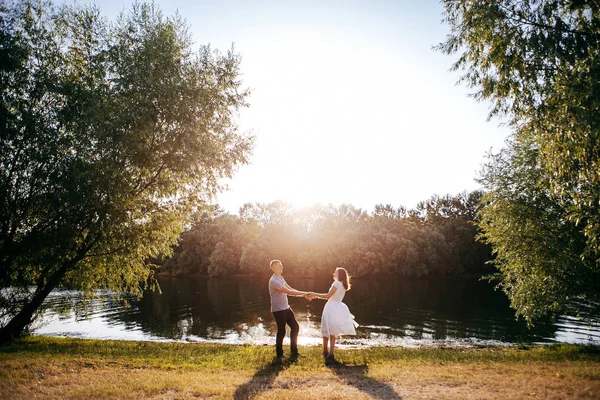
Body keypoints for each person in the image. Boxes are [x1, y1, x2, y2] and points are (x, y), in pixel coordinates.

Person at [309, 268, 358, 360]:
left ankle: (325, 352)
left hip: (331, 308)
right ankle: (330, 352)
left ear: (339, 274)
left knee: (325, 329)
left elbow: (328, 296)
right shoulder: (344, 285)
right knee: (332, 331)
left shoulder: (336, 283)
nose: (333, 273)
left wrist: (313, 293)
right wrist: (316, 297)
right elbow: (331, 296)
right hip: (338, 307)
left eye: (335, 272)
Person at [268, 259, 311, 362]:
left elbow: (291, 289)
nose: (281, 267)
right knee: (281, 331)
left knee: (295, 327)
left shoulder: (281, 278)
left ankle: (294, 352)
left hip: (286, 308)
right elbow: (287, 291)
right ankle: (279, 355)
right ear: (273, 268)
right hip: (278, 310)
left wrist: (303, 295)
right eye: (279, 266)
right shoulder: (273, 280)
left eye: (281, 265)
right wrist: (305, 293)